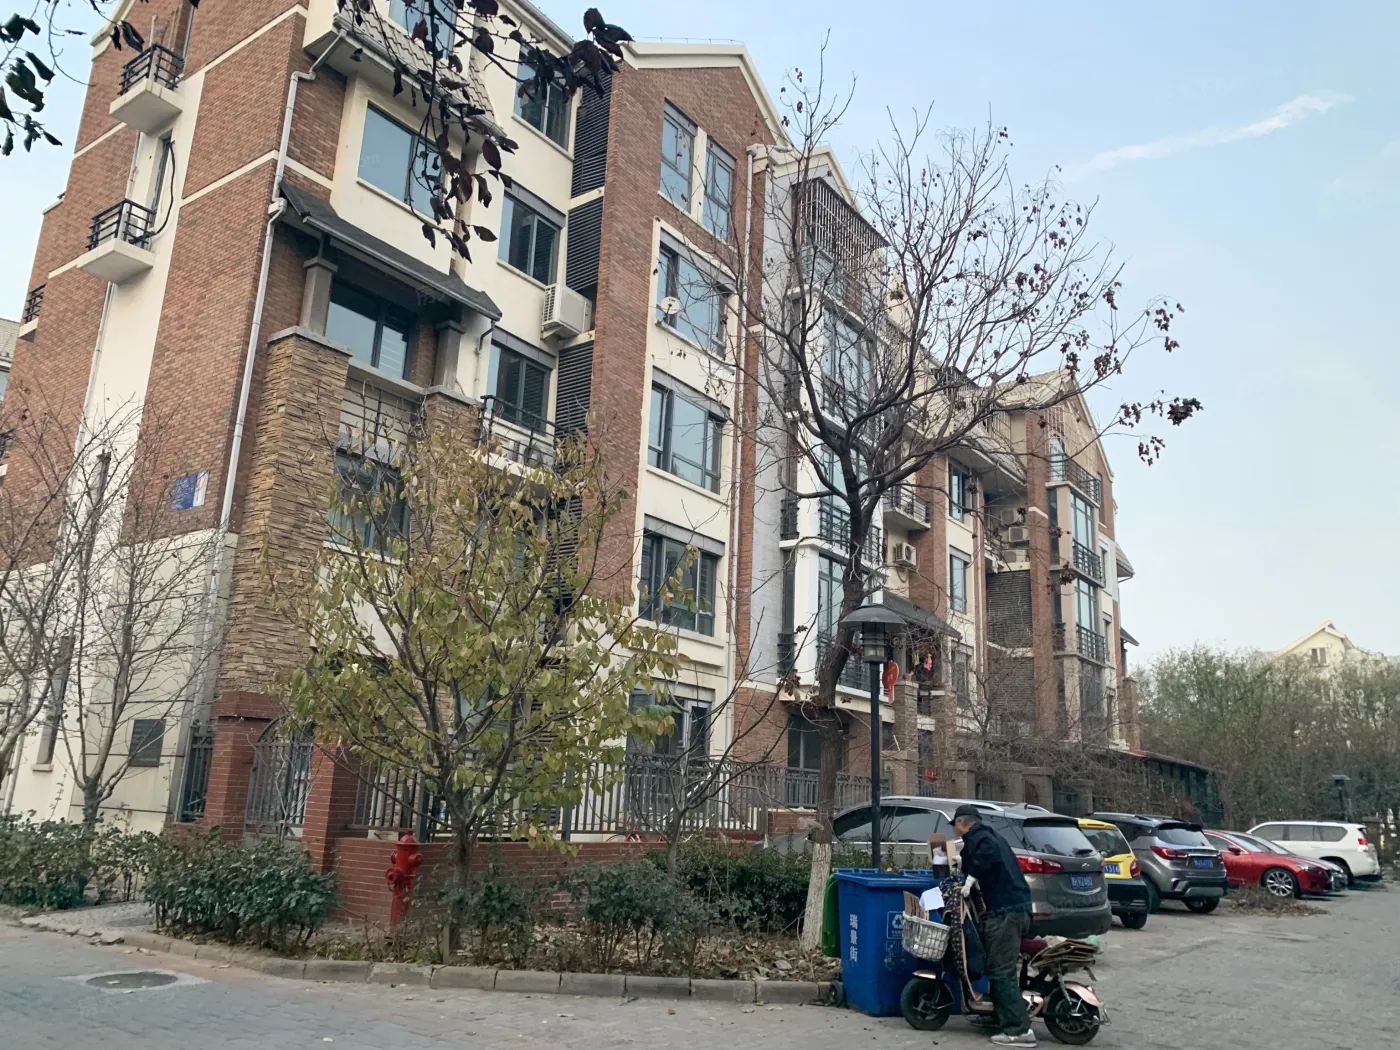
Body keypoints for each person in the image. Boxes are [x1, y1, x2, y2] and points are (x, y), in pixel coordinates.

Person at [952, 804, 1036, 1048]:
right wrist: (963, 864)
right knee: (999, 967)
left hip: (1006, 913)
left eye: (955, 825)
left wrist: (970, 879)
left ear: (962, 822)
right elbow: (987, 858)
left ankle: (1019, 1031)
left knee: (1000, 971)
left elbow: (988, 854)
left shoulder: (981, 837)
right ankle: (1001, 1015)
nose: (955, 830)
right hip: (1015, 908)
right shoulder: (990, 835)